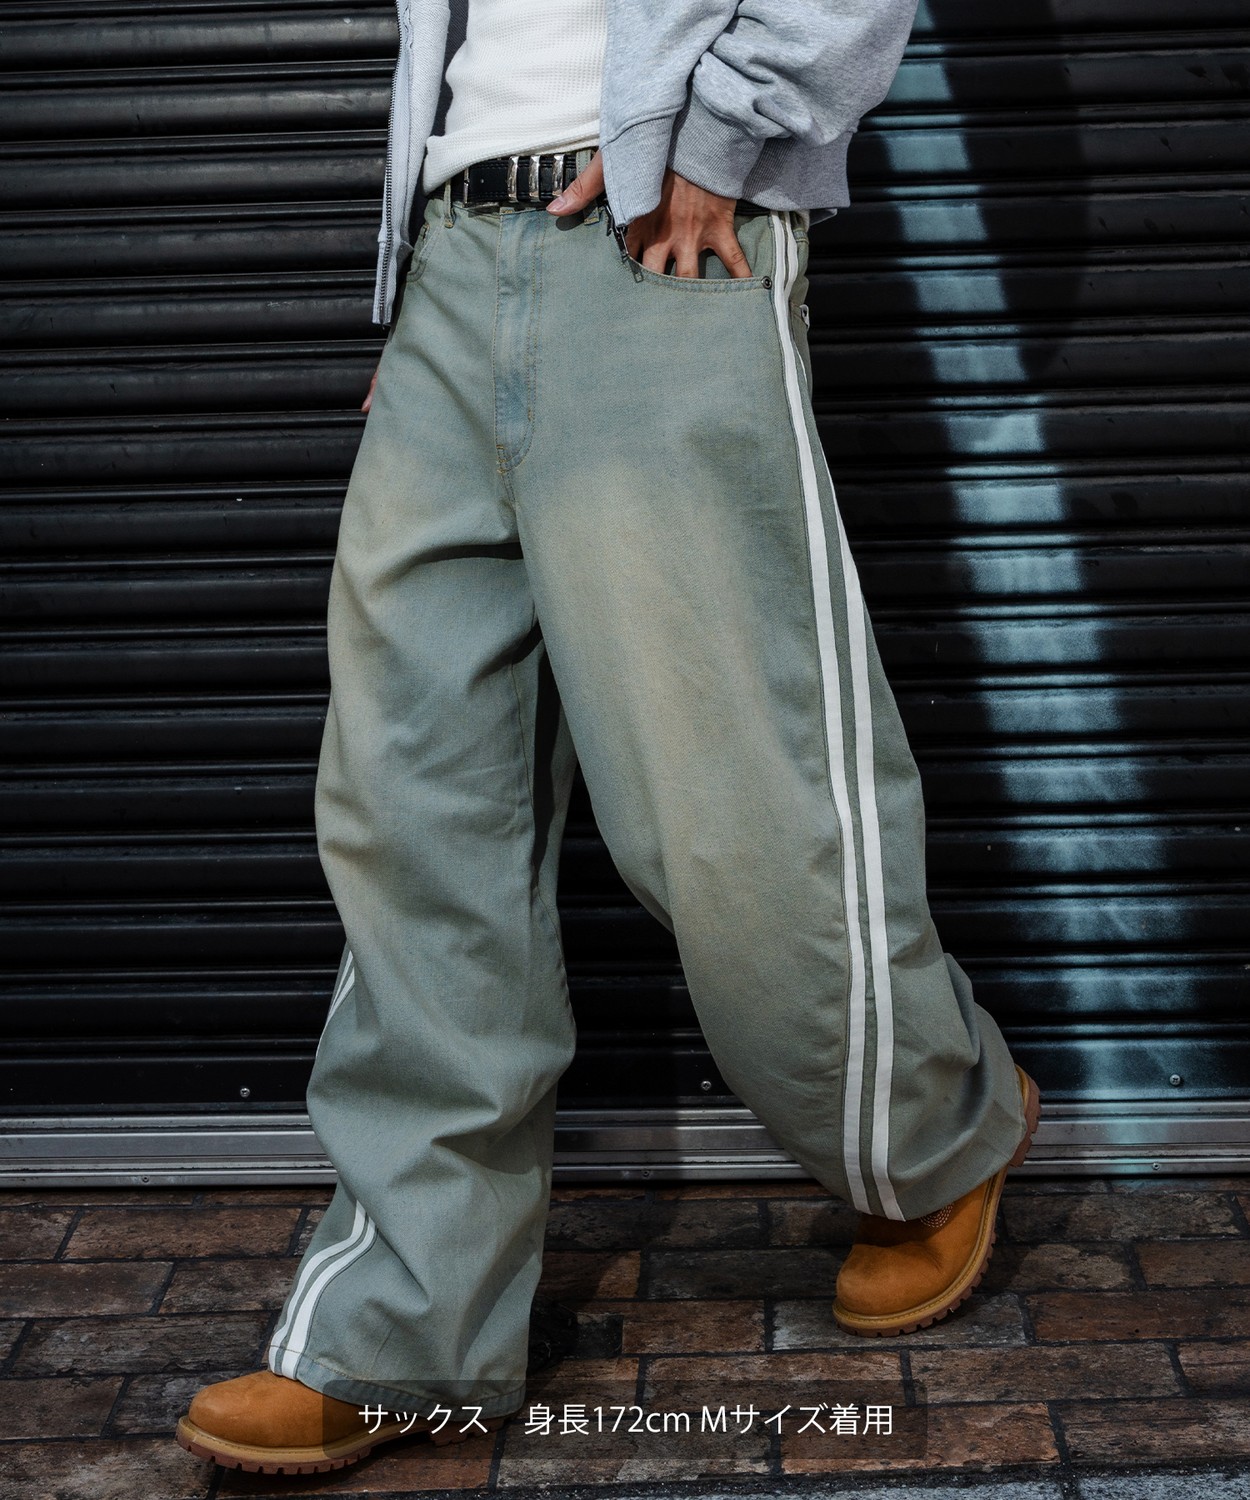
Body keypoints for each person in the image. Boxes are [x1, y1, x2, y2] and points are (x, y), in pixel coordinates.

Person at [175, 0, 1040, 1476]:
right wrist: (429, 275)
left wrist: (718, 143)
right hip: (459, 251)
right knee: (413, 812)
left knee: (725, 802)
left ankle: (929, 1133)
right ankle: (405, 1333)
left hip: (658, 239)